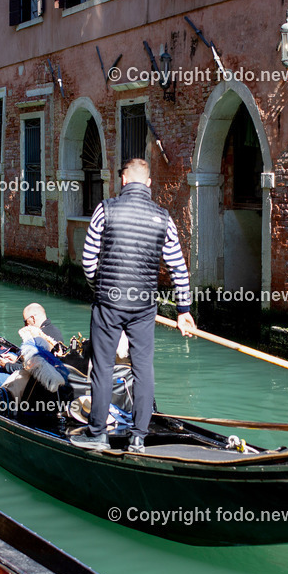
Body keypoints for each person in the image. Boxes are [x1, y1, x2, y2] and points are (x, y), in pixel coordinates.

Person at [71, 158, 196, 452]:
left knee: (102, 367)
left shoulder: (105, 209)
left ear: (124, 181)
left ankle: (97, 433)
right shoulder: (164, 218)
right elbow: (179, 268)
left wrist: (97, 289)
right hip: (143, 305)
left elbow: (88, 261)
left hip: (108, 302)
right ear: (148, 184)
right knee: (143, 369)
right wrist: (184, 311)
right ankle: (139, 436)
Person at [0, 304, 65, 372]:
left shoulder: (39, 338)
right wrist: (17, 360)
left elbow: (30, 369)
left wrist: (7, 365)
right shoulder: (55, 331)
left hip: (36, 378)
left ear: (33, 318)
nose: (25, 325)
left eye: (25, 321)